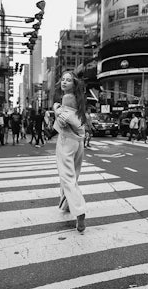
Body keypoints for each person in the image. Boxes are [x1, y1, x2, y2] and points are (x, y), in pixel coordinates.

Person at [53, 70, 87, 233]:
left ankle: (79, 212)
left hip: (67, 140)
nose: (64, 82)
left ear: (74, 84)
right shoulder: (79, 99)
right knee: (74, 174)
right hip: (78, 141)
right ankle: (66, 204)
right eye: (63, 79)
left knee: (67, 176)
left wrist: (55, 109)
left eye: (68, 80)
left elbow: (63, 119)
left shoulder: (67, 98)